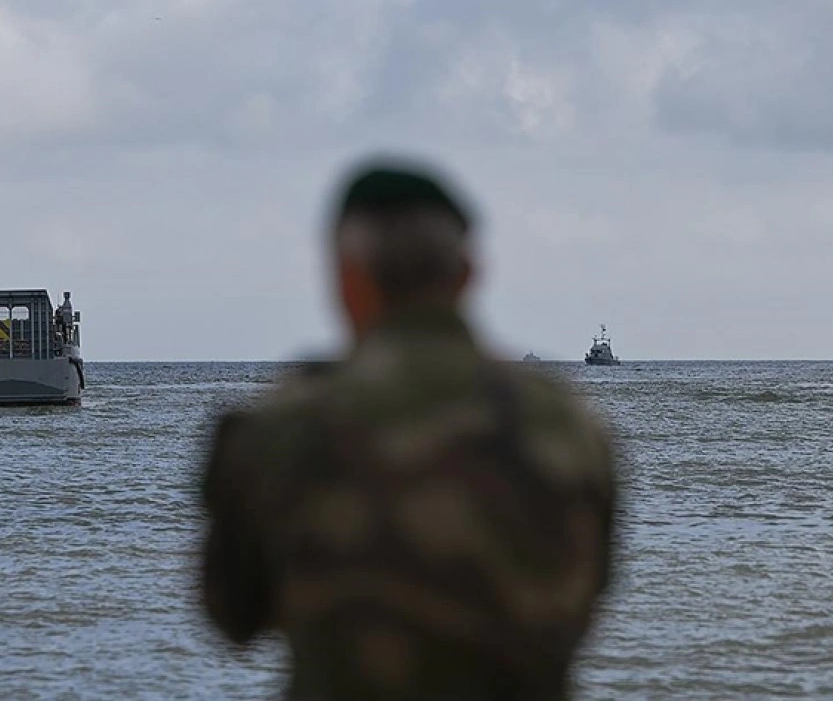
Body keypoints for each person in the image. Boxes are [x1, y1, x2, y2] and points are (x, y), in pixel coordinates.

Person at [198, 158, 618, 701]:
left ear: (347, 278)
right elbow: (585, 605)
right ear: (468, 274)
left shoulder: (287, 426)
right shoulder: (567, 427)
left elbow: (232, 615)